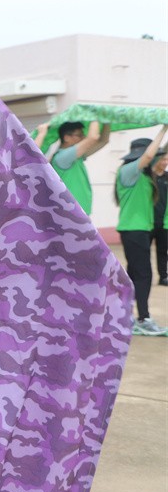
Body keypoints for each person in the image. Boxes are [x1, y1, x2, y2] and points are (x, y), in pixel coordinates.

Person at [115, 126, 168, 337]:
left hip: (139, 231)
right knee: (143, 275)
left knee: (135, 275)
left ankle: (126, 316)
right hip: (133, 230)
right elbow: (147, 157)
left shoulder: (145, 176)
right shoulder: (128, 171)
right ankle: (143, 319)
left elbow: (153, 158)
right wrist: (163, 129)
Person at [35, 120, 110, 215]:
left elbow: (103, 141)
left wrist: (106, 121)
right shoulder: (63, 157)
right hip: (70, 213)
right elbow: (93, 138)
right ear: (66, 138)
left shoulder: (76, 157)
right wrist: (95, 117)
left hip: (76, 213)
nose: (83, 138)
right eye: (80, 135)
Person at [153, 154, 168, 287]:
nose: (165, 162)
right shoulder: (149, 177)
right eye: (163, 159)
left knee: (162, 251)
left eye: (167, 159)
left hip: (164, 221)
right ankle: (139, 276)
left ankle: (163, 276)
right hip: (148, 221)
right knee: (143, 251)